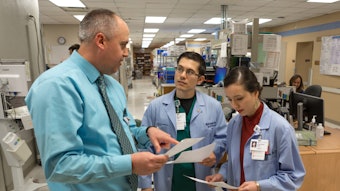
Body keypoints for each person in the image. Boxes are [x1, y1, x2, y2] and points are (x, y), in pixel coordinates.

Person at [25, 9, 178, 191]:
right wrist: (130, 164)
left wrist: (147, 133)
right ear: (101, 41)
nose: (126, 53)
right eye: (122, 45)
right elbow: (61, 165)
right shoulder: (57, 86)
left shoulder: (111, 86)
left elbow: (126, 129)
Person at [139, 51, 228, 191]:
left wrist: (215, 154)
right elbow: (143, 145)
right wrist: (145, 186)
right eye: (180, 69)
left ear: (200, 79)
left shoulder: (213, 107)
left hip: (201, 180)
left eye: (190, 72)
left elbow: (222, 138)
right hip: (167, 180)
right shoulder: (156, 106)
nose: (182, 75)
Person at [206, 66, 305, 191]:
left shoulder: (281, 128)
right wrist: (222, 175)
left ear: (256, 93)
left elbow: (293, 177)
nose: (234, 105)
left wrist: (259, 186)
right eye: (230, 100)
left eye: (239, 98)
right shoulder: (233, 125)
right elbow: (235, 163)